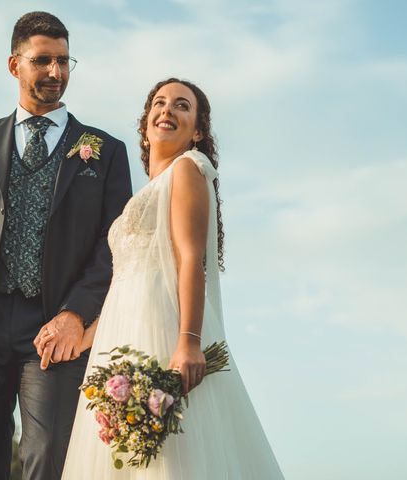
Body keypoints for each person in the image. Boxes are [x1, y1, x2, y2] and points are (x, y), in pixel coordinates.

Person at [0, 11, 132, 479]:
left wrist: (74, 315)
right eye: (43, 61)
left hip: (55, 329)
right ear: (14, 65)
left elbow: (112, 246)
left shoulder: (105, 150)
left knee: (49, 460)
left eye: (63, 61)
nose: (56, 72)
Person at [58, 78, 284, 478]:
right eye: (159, 104)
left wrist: (189, 343)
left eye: (182, 106)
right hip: (120, 340)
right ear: (145, 125)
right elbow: (127, 280)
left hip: (165, 336)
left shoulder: (186, 169)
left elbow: (191, 259)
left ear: (197, 131)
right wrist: (84, 335)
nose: (167, 111)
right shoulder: (143, 194)